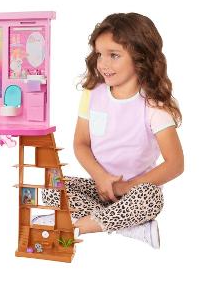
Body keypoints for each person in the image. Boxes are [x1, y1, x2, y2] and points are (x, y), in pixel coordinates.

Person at [42, 13, 184, 248]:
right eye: (99, 54)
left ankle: (85, 224)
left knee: (152, 198)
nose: (103, 64)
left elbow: (175, 163)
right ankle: (128, 226)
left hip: (136, 192)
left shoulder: (153, 106)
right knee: (49, 189)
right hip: (101, 187)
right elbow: (81, 143)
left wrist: (127, 187)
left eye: (114, 55)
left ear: (140, 57)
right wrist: (100, 177)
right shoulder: (92, 93)